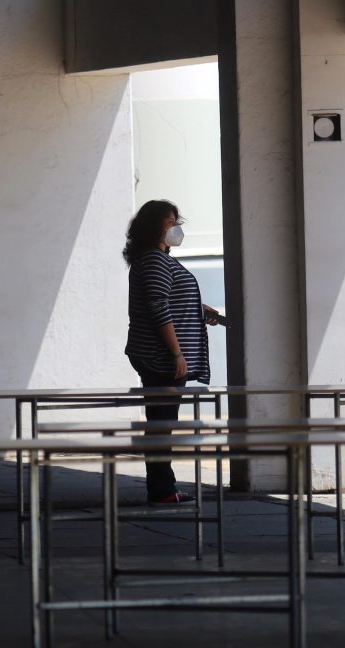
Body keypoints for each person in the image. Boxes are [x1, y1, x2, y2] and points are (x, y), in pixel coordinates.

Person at [123, 200, 222, 505]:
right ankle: (163, 489)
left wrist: (197, 309)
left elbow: (167, 300)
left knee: (161, 421)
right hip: (161, 358)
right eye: (169, 222)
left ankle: (162, 487)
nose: (175, 228)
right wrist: (177, 354)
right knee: (161, 424)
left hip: (161, 356)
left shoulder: (159, 259)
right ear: (153, 227)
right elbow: (157, 307)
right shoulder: (154, 259)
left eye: (176, 221)